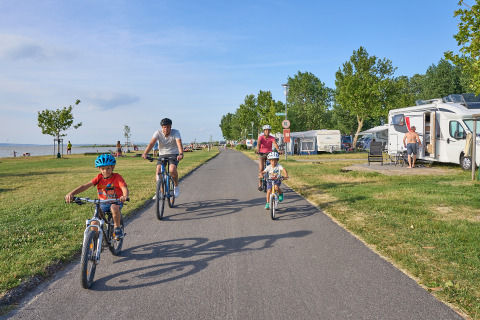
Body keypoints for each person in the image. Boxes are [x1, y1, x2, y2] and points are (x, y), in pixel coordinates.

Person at [65, 154, 129, 239]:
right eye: (103, 168)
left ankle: (117, 228)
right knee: (93, 222)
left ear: (113, 167)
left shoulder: (117, 177)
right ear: (99, 169)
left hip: (116, 201)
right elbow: (85, 186)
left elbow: (124, 188)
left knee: (114, 208)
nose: (105, 171)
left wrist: (124, 196)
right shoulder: (99, 177)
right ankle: (95, 241)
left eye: (108, 168)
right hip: (103, 203)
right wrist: (72, 193)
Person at [142, 118, 184, 198]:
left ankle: (176, 187)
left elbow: (179, 144)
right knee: (158, 170)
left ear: (170, 127)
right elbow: (151, 143)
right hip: (162, 155)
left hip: (173, 154)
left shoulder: (175, 132)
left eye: (168, 127)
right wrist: (145, 153)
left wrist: (181, 153)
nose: (166, 129)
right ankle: (160, 192)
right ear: (162, 127)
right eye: (164, 127)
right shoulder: (158, 132)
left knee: (172, 169)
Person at [256, 125, 282, 191]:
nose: (267, 131)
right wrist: (258, 150)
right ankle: (260, 183)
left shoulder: (272, 138)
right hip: (261, 153)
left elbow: (275, 144)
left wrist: (278, 149)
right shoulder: (261, 137)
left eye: (269, 130)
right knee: (261, 168)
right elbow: (258, 143)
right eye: (266, 130)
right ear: (264, 131)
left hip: (269, 154)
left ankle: (272, 180)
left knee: (272, 166)